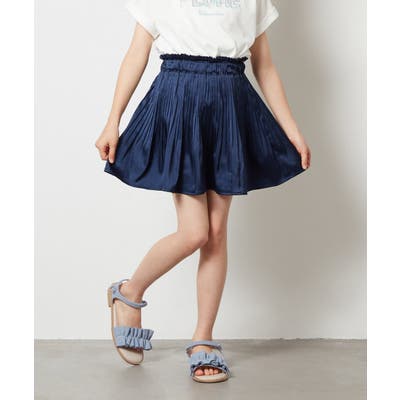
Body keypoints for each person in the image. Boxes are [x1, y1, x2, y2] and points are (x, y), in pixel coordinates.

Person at [96, 0, 311, 384]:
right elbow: (136, 54)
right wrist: (113, 121)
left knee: (215, 233)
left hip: (229, 104)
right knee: (194, 232)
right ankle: (129, 292)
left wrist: (292, 129)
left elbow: (264, 64)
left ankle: (203, 339)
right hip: (180, 102)